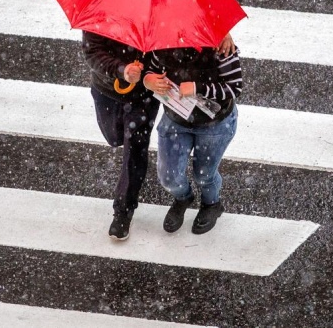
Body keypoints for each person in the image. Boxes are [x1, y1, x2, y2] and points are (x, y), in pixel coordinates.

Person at [83, 32, 236, 240]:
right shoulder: (105, 9)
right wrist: (132, 73)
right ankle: (183, 197)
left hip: (185, 112)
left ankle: (125, 210)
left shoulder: (208, 43)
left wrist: (221, 33)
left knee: (198, 172)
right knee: (124, 145)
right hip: (122, 94)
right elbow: (93, 51)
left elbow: (234, 86)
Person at [142, 45, 242, 235]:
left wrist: (198, 88)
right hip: (175, 118)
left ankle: (211, 204)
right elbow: (151, 69)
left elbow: (234, 87)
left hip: (215, 123)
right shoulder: (161, 41)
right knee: (169, 177)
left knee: (204, 175)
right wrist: (148, 79)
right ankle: (183, 198)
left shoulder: (220, 44)